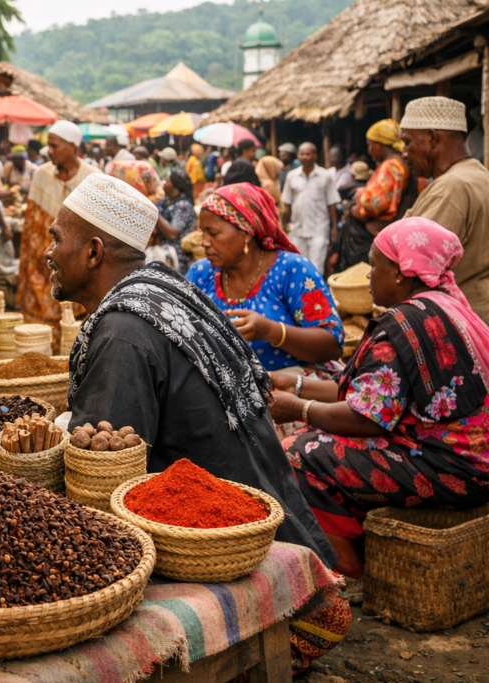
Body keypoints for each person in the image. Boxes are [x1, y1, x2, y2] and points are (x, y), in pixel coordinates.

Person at [49, 172, 348, 674]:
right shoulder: (163, 286)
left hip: (266, 587)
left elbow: (102, 476)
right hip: (294, 552)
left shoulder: (123, 334)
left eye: (57, 238)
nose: (47, 251)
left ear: (95, 252)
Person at [274, 218, 489, 579]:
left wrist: (299, 410)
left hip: (454, 468)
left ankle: (350, 571)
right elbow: (358, 388)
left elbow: (367, 417)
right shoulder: (445, 305)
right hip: (472, 458)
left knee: (297, 454)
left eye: (375, 265)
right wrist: (288, 383)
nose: (369, 274)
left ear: (401, 273)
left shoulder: (402, 324)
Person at [187, 183, 343, 372]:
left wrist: (271, 331)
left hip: (288, 394)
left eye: (213, 233)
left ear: (245, 233)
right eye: (202, 232)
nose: (204, 242)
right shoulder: (201, 274)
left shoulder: (292, 271)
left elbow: (333, 344)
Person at [400, 96, 489, 322]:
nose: (404, 152)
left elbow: (411, 268)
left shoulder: (449, 188)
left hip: (461, 322)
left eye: (407, 142)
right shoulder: (479, 174)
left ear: (431, 138)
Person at [18, 120, 97, 335]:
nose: (49, 151)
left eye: (55, 146)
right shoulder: (42, 175)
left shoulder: (92, 177)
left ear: (73, 146)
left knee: (75, 325)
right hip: (42, 262)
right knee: (39, 330)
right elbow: (31, 225)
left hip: (76, 263)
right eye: (48, 146)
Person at [335, 120, 423, 274]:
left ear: (380, 145)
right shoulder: (399, 163)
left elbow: (372, 205)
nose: (369, 150)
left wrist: (360, 196)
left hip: (375, 236)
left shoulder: (391, 166)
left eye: (370, 145)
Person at [282, 142, 340, 270]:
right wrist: (283, 226)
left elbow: (332, 203)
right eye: (302, 154)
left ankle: (315, 291)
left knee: (316, 269)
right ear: (298, 156)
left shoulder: (325, 176)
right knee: (297, 268)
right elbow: (287, 204)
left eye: (308, 154)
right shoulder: (291, 176)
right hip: (297, 230)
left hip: (318, 230)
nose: (304, 157)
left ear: (315, 156)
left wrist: (335, 227)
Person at [153, 167, 197, 273]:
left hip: (176, 260)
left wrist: (155, 213)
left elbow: (172, 233)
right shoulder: (167, 201)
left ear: (175, 187)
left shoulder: (183, 205)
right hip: (165, 254)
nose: (164, 183)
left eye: (167, 181)